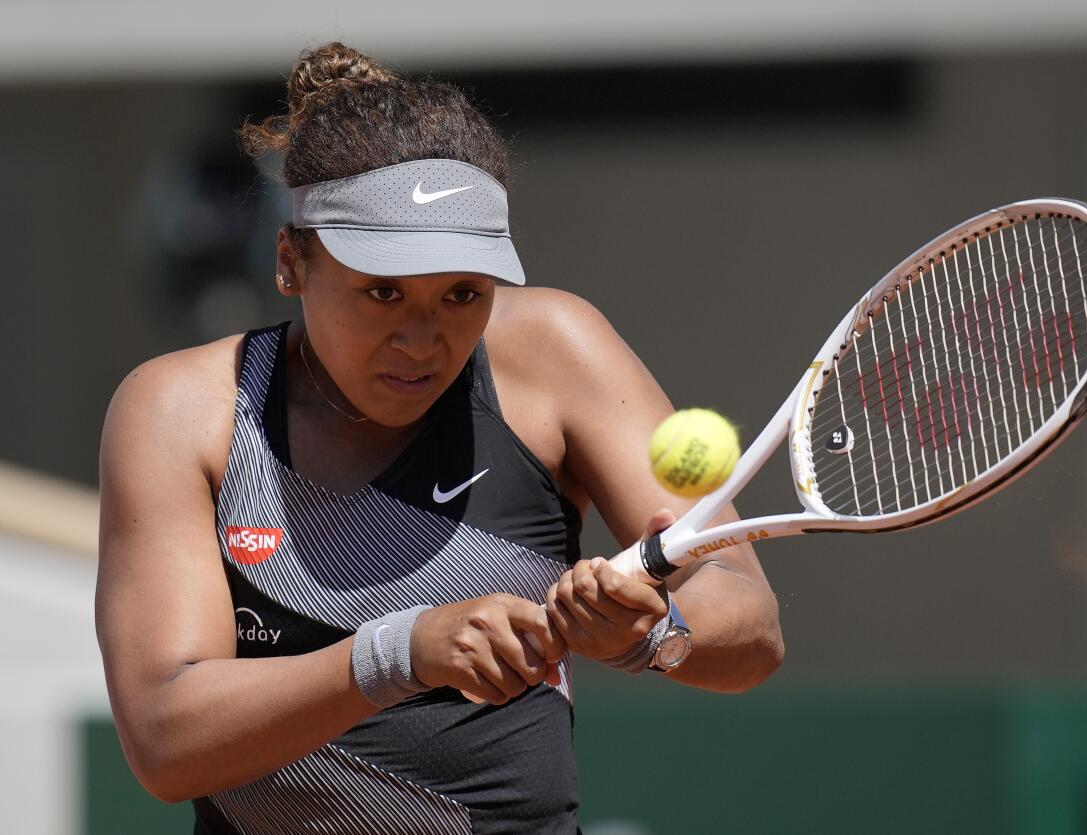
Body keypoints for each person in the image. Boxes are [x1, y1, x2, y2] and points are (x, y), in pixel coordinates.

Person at [96, 42, 783, 834]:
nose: (421, 339)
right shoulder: (180, 409)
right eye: (381, 291)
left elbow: (751, 626)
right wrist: (402, 651)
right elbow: (165, 740)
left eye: (462, 293)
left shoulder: (558, 350)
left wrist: (653, 635)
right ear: (291, 262)